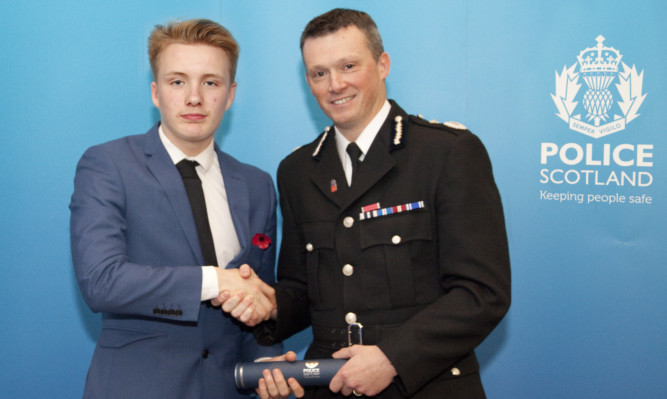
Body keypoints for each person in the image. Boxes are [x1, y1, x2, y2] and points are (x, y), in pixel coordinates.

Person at [221, 8, 511, 398]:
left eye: (348, 66)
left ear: (382, 64)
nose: (335, 84)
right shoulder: (297, 170)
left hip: (426, 386)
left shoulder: (448, 153)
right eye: (318, 73)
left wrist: (392, 358)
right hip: (330, 386)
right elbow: (302, 288)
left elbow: (482, 294)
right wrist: (270, 304)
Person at [69, 19, 281, 399]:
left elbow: (256, 304)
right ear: (155, 92)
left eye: (211, 83)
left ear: (230, 94)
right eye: (178, 81)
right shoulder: (108, 165)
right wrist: (216, 280)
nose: (195, 98)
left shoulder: (257, 184)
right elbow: (101, 281)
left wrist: (265, 361)